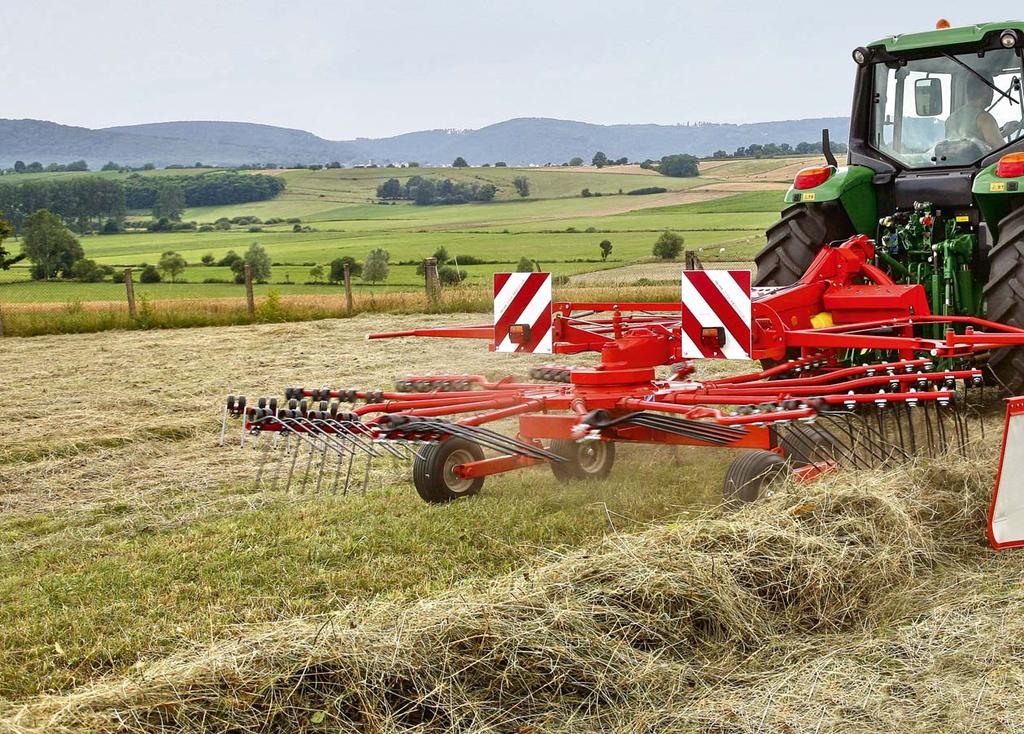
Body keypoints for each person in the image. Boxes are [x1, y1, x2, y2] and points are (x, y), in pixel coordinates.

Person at [944, 74, 1005, 149]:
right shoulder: (984, 118)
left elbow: (968, 143)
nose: (993, 94)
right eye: (991, 89)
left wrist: (1005, 132)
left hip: (960, 161)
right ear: (986, 91)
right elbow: (1002, 150)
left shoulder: (950, 119)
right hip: (981, 161)